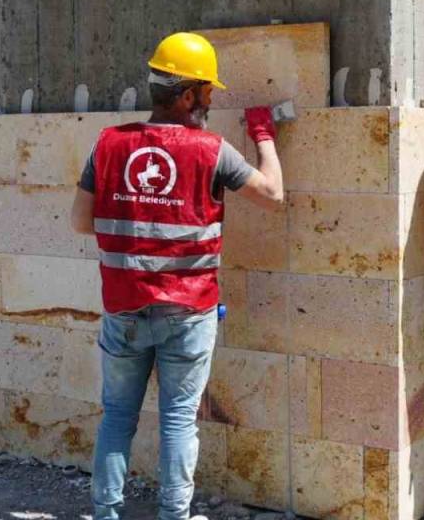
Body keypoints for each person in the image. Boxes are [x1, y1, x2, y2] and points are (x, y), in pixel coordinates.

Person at [69, 31, 285, 520]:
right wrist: (265, 137)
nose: (211, 99)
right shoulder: (212, 150)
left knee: (118, 417)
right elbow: (273, 195)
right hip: (188, 313)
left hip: (124, 309)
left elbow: (81, 221)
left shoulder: (108, 145)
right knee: (178, 421)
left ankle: (106, 514)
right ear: (187, 95)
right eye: (208, 91)